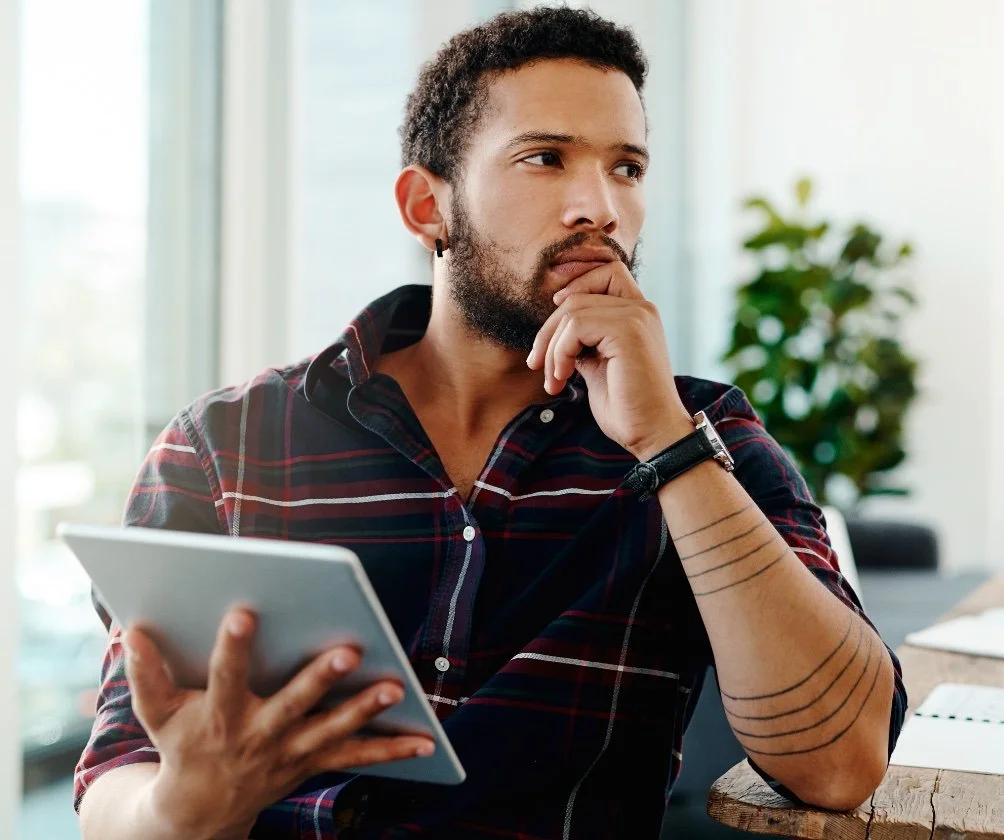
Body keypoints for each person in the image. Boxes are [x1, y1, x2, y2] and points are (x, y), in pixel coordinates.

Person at [74, 7, 907, 839]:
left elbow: (839, 765)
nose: (600, 208)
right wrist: (187, 805)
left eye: (627, 167)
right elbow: (117, 786)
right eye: (545, 158)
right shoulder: (229, 446)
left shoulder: (705, 436)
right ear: (426, 207)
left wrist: (668, 446)